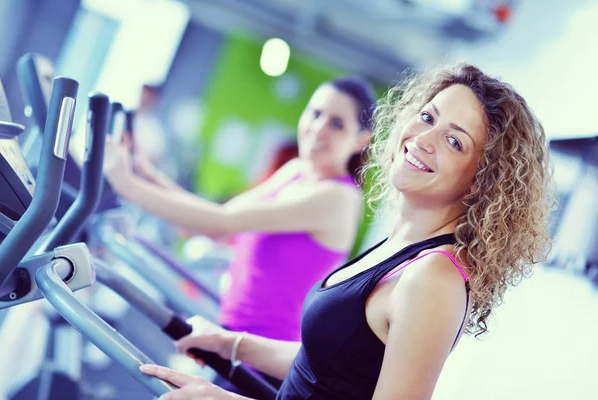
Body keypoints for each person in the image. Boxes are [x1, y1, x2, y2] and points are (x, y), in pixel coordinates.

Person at [138, 62, 555, 400]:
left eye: (454, 141)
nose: (423, 138)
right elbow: (325, 365)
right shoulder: (403, 246)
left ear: (483, 181)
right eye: (427, 117)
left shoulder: (434, 280)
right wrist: (231, 344)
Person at [103, 77, 377, 392]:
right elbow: (215, 220)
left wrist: (126, 184)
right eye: (315, 113)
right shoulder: (296, 172)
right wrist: (141, 170)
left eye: (337, 124)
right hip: (227, 343)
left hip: (260, 363)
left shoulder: (337, 198)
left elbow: (220, 222)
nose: (318, 128)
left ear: (360, 140)